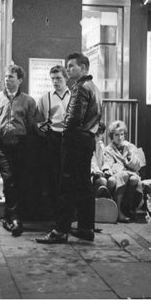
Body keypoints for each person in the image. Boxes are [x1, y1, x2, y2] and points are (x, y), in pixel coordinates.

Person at [37, 52, 102, 244]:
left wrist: (66, 137)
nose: (68, 69)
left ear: (83, 68)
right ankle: (86, 228)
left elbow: (73, 119)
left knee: (66, 187)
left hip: (75, 143)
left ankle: (60, 231)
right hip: (87, 141)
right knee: (84, 186)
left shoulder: (80, 88)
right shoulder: (94, 87)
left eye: (72, 66)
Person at [0, 64, 37, 237]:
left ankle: (10, 216)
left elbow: (31, 125)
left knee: (19, 180)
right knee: (8, 179)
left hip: (21, 145)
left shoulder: (29, 101)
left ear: (20, 80)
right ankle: (14, 218)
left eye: (11, 77)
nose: (7, 80)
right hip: (2, 145)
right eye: (6, 77)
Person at [36, 65, 71, 216]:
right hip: (52, 139)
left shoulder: (73, 96)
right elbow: (38, 120)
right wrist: (42, 128)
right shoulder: (46, 98)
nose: (55, 82)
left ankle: (68, 214)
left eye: (59, 78)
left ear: (66, 78)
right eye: (53, 79)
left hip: (69, 139)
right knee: (53, 176)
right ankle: (55, 213)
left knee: (68, 177)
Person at [103, 120, 147, 222]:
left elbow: (138, 166)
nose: (120, 137)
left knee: (134, 179)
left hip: (130, 173)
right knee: (124, 176)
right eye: (116, 135)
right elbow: (110, 165)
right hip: (117, 174)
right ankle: (119, 211)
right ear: (112, 136)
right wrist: (123, 168)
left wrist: (130, 155)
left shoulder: (130, 147)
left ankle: (129, 208)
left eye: (122, 134)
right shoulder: (108, 149)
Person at [90, 121, 112, 199]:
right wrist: (94, 171)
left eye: (100, 134)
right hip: (90, 175)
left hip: (100, 174)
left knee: (109, 181)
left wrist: (106, 169)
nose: (98, 137)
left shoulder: (100, 145)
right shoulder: (86, 144)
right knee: (102, 182)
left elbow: (105, 160)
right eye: (97, 134)